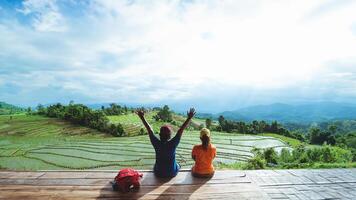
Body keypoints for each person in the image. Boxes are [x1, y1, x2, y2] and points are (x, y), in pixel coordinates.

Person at [136, 108, 196, 178]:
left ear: (160, 135)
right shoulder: (173, 143)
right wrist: (189, 118)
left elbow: (149, 130)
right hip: (171, 173)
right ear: (169, 136)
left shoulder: (156, 143)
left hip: (158, 173)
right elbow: (180, 130)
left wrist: (142, 117)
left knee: (155, 166)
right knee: (178, 165)